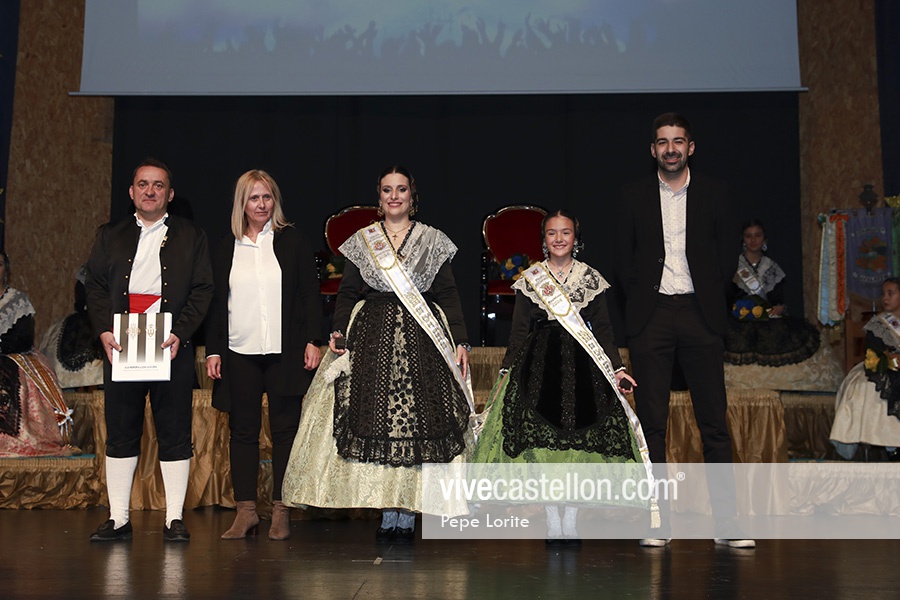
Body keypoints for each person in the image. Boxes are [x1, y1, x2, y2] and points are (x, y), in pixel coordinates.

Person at [281, 165, 474, 543]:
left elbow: (448, 293)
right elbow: (347, 291)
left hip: (422, 339)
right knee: (379, 421)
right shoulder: (365, 239)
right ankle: (388, 511)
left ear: (412, 196)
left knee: (417, 425)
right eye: (387, 190)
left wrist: (461, 341)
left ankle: (408, 511)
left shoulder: (432, 239)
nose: (394, 196)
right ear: (379, 197)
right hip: (373, 336)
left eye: (401, 189)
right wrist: (339, 329)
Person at [471, 210, 651, 544]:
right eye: (552, 233)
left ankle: (572, 518)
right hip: (540, 366)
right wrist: (507, 370)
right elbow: (519, 331)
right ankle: (553, 518)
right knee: (545, 444)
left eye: (565, 232)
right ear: (544, 240)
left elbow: (604, 329)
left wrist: (617, 367)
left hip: (583, 367)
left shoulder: (590, 277)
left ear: (576, 238)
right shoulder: (531, 278)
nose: (559, 239)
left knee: (577, 444)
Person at [618, 113, 753, 548]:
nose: (671, 149)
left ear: (690, 147)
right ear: (652, 150)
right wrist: (643, 298)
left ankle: (728, 524)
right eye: (663, 142)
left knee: (713, 423)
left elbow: (727, 254)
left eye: (678, 141)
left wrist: (709, 294)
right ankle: (658, 522)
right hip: (651, 317)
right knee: (652, 425)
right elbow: (623, 258)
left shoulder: (716, 192)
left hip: (701, 315)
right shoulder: (633, 195)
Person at [85, 158, 213, 542]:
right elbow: (94, 286)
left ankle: (174, 519)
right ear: (132, 192)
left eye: (158, 185)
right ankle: (118, 519)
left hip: (170, 344)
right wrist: (104, 330)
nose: (150, 191)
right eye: (143, 184)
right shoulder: (110, 235)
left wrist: (181, 333)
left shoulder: (192, 236)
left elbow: (203, 290)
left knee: (174, 429)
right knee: (121, 430)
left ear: (170, 194)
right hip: (121, 345)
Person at [205, 170, 322, 540]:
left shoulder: (294, 241)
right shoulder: (227, 246)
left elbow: (310, 294)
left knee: (285, 430)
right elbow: (216, 303)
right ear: (242, 203)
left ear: (275, 201)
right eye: (253, 198)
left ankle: (281, 510)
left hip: (285, 351)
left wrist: (313, 340)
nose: (261, 205)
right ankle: (246, 512)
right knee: (243, 432)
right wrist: (213, 350)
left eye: (267, 197)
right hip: (239, 351)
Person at [0, 251, 76, 457]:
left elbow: (23, 338)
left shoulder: (17, 300)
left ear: (6, 270)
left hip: (16, 355)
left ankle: (14, 439)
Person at [724, 219, 819, 366]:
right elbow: (727, 298)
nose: (753, 240)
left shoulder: (772, 267)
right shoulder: (733, 266)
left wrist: (778, 308)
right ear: (743, 239)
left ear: (764, 238)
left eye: (757, 235)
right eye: (748, 236)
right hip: (739, 320)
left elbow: (778, 300)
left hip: (767, 319)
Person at [830, 277, 900, 461]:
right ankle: (892, 446)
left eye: (890, 293)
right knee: (870, 388)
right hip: (881, 368)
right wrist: (889, 359)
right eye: (883, 294)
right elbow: (873, 352)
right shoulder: (878, 324)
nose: (885, 298)